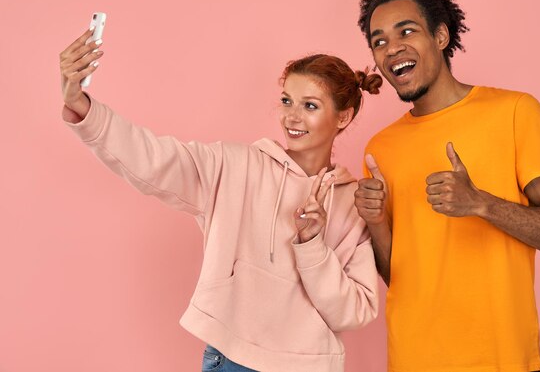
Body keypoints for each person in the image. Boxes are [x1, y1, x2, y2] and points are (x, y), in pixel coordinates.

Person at [59, 29, 383, 372]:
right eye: (287, 101)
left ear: (343, 117)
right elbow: (153, 158)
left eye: (310, 106)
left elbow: (355, 310)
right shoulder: (234, 166)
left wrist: (312, 245)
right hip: (233, 359)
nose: (292, 117)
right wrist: (83, 108)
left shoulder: (353, 203)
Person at [353, 0, 540, 372]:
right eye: (380, 41)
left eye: (406, 32)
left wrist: (480, 203)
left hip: (502, 361)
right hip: (413, 361)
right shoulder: (381, 148)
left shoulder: (515, 112)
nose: (391, 49)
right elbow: (400, 278)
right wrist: (375, 223)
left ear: (440, 37)